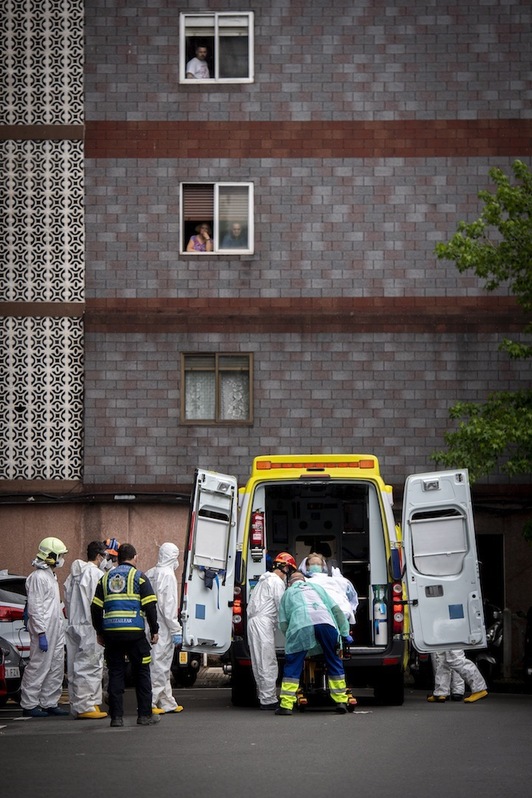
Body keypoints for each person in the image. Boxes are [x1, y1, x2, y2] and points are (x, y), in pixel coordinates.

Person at [91, 543, 160, 727]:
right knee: (142, 673)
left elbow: (96, 608)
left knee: (115, 673)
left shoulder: (105, 579)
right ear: (134, 557)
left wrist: (99, 631)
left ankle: (116, 717)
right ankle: (144, 715)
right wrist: (154, 630)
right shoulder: (139, 578)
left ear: (119, 558)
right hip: (135, 634)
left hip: (112, 635)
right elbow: (150, 606)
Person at [276, 571, 350, 716]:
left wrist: (291, 639)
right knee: (333, 660)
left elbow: (283, 622)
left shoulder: (288, 593)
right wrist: (344, 632)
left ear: (290, 583)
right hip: (326, 623)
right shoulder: (317, 588)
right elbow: (336, 610)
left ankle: (286, 705)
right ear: (304, 580)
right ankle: (341, 700)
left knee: (293, 664)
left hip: (300, 625)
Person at [20, 537, 70, 718]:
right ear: (51, 555)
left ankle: (49, 702)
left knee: (56, 665)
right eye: (60, 555)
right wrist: (41, 632)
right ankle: (29, 703)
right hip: (45, 630)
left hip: (55, 628)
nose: (62, 558)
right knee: (38, 666)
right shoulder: (38, 577)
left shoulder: (50, 575)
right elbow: (35, 607)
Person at [64, 540, 108, 719]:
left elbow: (67, 598)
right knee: (90, 665)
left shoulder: (74, 575)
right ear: (98, 556)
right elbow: (97, 603)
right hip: (89, 625)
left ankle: (78, 704)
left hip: (74, 624)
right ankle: (86, 706)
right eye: (104, 556)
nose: (106, 560)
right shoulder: (96, 575)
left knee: (75, 666)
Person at [247, 552, 297, 710]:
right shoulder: (276, 582)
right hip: (263, 623)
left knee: (259, 661)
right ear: (286, 568)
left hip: (254, 623)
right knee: (267, 660)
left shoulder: (264, 580)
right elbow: (282, 605)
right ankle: (268, 700)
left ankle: (264, 696)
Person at [145, 542, 184, 715]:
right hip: (163, 628)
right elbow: (168, 607)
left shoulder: (151, 573)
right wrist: (176, 629)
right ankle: (151, 702)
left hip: (151, 624)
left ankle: (167, 701)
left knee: (160, 665)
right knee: (159, 666)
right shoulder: (167, 575)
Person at [299, 552, 358, 624]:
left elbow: (351, 594)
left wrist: (351, 609)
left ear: (323, 566)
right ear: (306, 566)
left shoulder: (335, 579)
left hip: (340, 612)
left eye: (318, 564)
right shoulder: (303, 581)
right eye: (312, 564)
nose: (315, 566)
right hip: (318, 616)